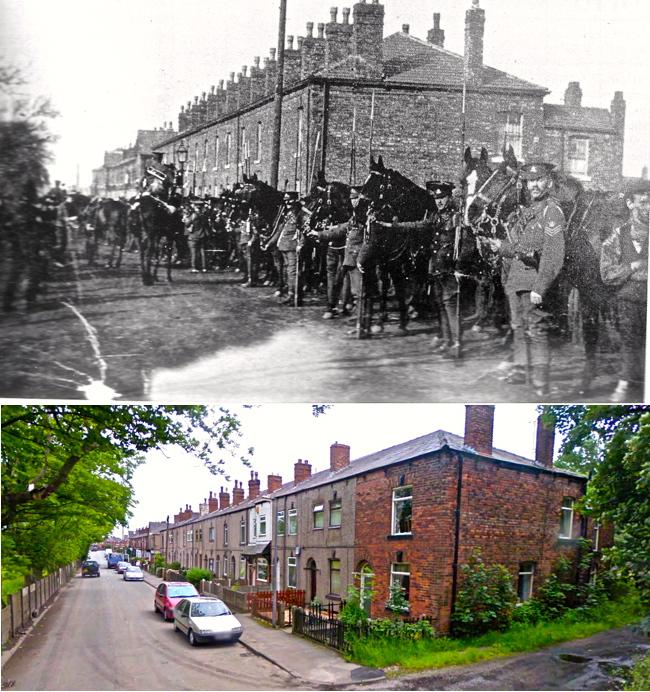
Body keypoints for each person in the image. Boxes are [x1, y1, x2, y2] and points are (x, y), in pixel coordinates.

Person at [485, 162, 566, 396]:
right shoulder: (531, 210)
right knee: (518, 327)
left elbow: (553, 254)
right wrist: (501, 247)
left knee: (537, 331)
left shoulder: (552, 212)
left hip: (534, 282)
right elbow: (521, 248)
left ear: (549, 182)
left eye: (539, 180)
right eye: (530, 181)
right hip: (517, 280)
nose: (533, 185)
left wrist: (541, 287)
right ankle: (522, 371)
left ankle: (541, 383)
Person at [600, 181, 649, 401]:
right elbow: (607, 273)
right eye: (644, 202)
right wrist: (632, 267)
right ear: (630, 203)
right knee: (630, 341)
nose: (648, 208)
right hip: (629, 298)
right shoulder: (617, 236)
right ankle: (625, 382)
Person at [265, 191, 305, 305]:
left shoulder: (299, 214)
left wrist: (301, 244)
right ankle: (290, 294)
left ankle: (295, 296)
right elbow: (280, 230)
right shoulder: (287, 214)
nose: (287, 202)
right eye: (285, 200)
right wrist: (270, 243)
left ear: (294, 201)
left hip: (293, 247)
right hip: (283, 246)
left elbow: (303, 231)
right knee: (288, 271)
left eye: (289, 200)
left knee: (293, 272)